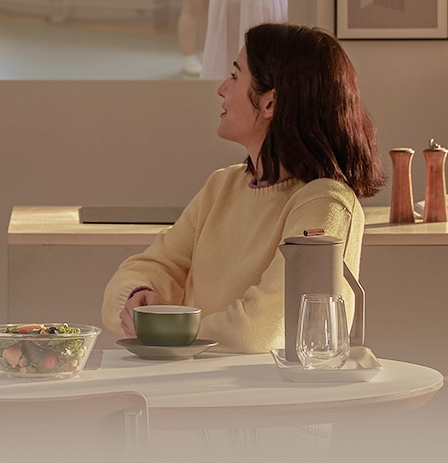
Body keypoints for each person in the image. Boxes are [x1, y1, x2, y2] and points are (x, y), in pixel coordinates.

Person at [100, 23, 386, 354]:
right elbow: (146, 269)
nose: (221, 88)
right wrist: (138, 297)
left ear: (269, 103)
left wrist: (165, 331)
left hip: (262, 396)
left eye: (235, 76)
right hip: (189, 380)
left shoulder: (325, 203)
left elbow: (262, 329)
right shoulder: (221, 186)